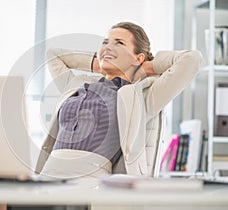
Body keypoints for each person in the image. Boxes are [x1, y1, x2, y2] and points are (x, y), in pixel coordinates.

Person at [35, 21, 202, 183]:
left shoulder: (141, 96)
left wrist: (145, 68)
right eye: (105, 42)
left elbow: (192, 59)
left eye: (119, 43)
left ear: (138, 58)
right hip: (47, 177)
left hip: (90, 184)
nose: (107, 47)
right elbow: (53, 55)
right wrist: (100, 64)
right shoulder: (76, 84)